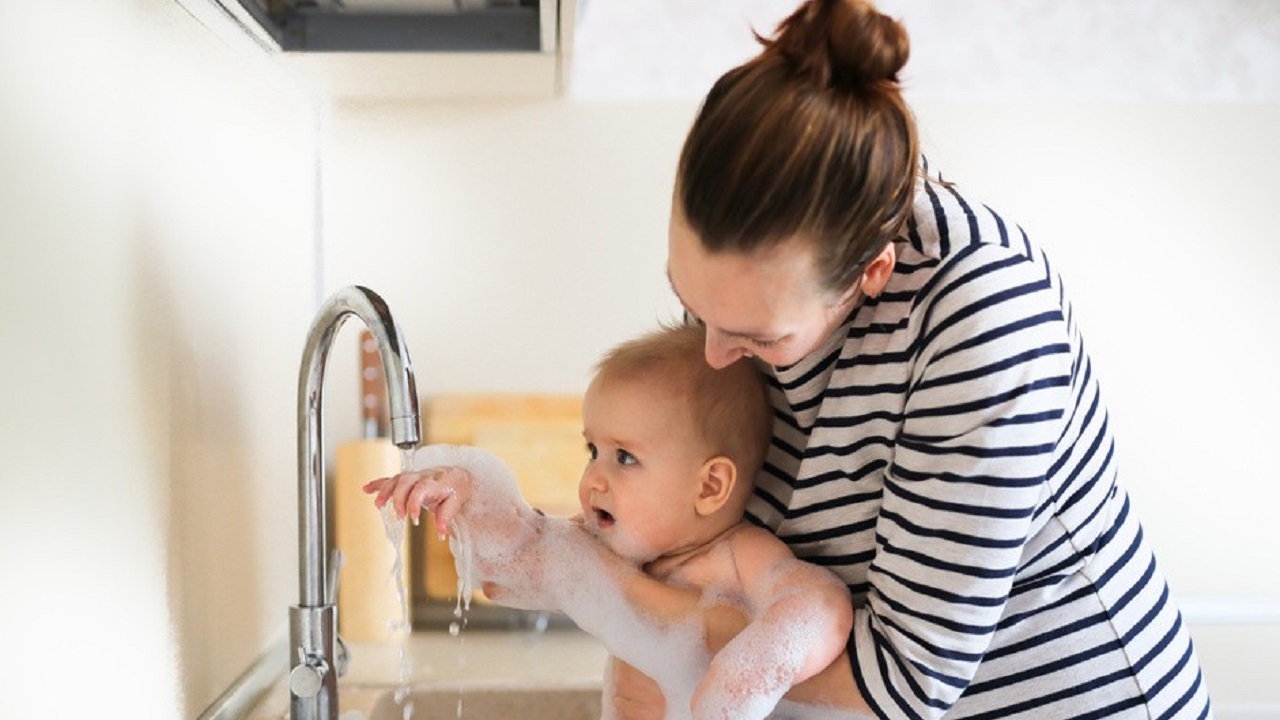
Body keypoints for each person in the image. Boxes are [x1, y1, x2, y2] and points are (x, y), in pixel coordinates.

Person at [603, 0, 1214, 718]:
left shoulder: (982, 316)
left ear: (873, 272)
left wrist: (609, 599)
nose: (712, 352)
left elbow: (902, 681)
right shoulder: (741, 297)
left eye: (759, 338)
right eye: (693, 302)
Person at [366, 322, 869, 719]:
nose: (593, 479)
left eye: (624, 457)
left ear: (710, 486)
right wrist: (464, 491)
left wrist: (751, 673)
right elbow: (520, 547)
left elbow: (817, 605)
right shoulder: (600, 546)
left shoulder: (739, 557)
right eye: (593, 449)